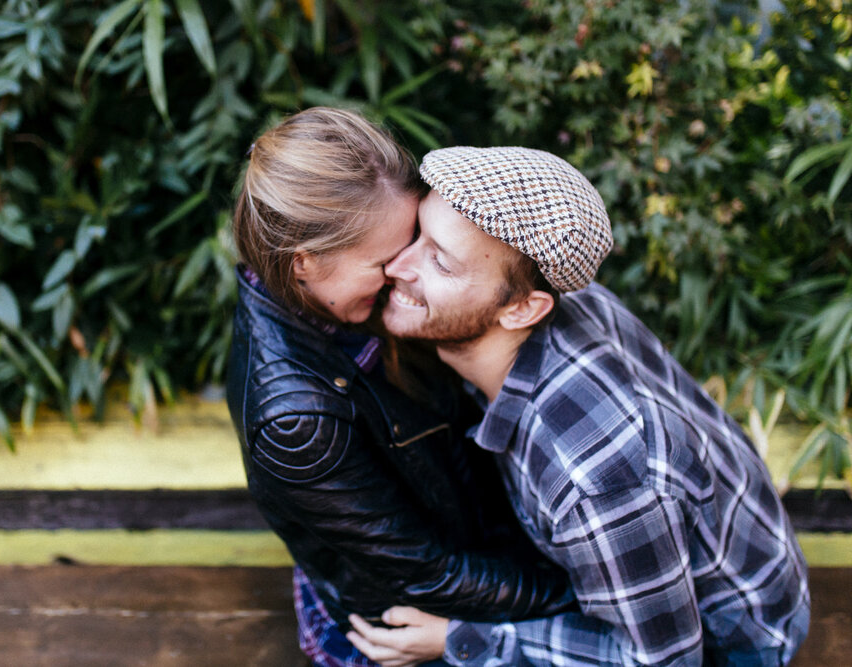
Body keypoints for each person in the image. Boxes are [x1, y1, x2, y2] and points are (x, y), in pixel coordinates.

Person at [346, 146, 810, 666]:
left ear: (522, 309)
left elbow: (661, 661)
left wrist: (459, 639)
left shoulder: (596, 479)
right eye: (417, 236)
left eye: (440, 261)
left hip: (737, 640)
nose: (397, 265)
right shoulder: (568, 298)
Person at [225, 111, 573, 666]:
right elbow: (428, 572)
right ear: (304, 264)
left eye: (415, 242)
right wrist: (582, 599)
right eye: (386, 261)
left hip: (480, 559)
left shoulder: (334, 305)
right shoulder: (296, 421)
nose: (407, 268)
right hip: (410, 625)